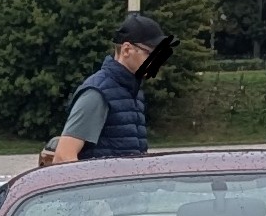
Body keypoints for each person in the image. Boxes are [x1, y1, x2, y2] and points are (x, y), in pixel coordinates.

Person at [50, 13, 177, 163]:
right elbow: (63, 156)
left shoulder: (133, 92)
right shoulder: (97, 93)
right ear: (126, 50)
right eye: (151, 54)